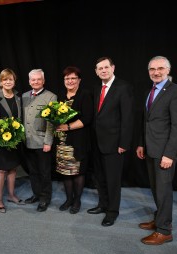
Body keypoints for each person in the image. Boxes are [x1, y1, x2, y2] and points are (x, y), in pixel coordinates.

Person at [136, 56, 177, 245]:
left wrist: (169, 154)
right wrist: (142, 143)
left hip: (165, 152)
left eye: (160, 68)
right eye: (152, 69)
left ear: (168, 70)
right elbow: (147, 121)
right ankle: (159, 219)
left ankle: (165, 230)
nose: (156, 72)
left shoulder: (176, 92)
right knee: (156, 189)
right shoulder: (151, 91)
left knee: (164, 191)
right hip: (151, 149)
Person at [88, 57, 134, 227]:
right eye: (100, 68)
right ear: (96, 71)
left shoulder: (123, 87)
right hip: (97, 143)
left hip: (115, 144)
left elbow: (128, 118)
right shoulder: (96, 88)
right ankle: (102, 204)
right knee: (99, 177)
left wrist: (124, 143)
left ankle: (112, 212)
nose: (103, 70)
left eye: (106, 67)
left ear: (113, 68)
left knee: (113, 180)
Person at [55, 66, 93, 214]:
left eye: (73, 78)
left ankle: (77, 200)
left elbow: (87, 119)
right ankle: (68, 199)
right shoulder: (60, 96)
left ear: (79, 80)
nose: (70, 81)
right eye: (67, 78)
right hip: (62, 141)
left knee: (77, 172)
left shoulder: (85, 95)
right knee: (66, 171)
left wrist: (68, 127)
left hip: (78, 141)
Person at [0, 68, 25, 213]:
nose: (8, 82)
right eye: (5, 79)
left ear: (14, 81)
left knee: (13, 168)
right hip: (1, 141)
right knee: (2, 169)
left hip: (15, 140)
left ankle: (11, 195)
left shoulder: (18, 97)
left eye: (10, 79)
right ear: (1, 82)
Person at [22, 69, 57, 212]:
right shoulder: (24, 96)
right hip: (27, 141)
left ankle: (45, 198)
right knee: (33, 171)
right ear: (29, 81)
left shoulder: (51, 97)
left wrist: (48, 142)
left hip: (42, 142)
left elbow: (51, 122)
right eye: (33, 80)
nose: (35, 82)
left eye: (38, 79)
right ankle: (36, 194)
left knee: (44, 172)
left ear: (43, 81)